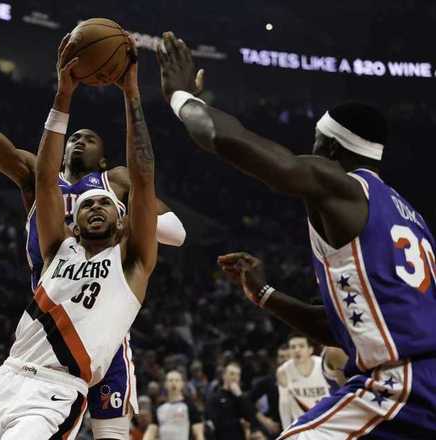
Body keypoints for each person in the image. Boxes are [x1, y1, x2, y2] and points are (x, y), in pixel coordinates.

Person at [155, 31, 436, 438]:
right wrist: (264, 294)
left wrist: (180, 97)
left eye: (316, 143)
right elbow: (346, 326)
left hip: (400, 383)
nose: (310, 152)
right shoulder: (409, 217)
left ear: (332, 150)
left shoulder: (341, 184)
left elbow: (227, 138)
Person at [0, 15, 186, 439]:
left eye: (89, 138)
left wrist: (130, 225)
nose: (79, 140)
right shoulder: (43, 189)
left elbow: (172, 224)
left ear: (103, 158)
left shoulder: (117, 182)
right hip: (44, 321)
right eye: (73, 136)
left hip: (101, 329)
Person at [276, 334, 329, 429]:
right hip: (301, 426)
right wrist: (286, 430)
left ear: (310, 350)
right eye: (293, 347)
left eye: (301, 346)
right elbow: (284, 404)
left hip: (326, 421)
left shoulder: (323, 365)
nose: (297, 350)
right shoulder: (283, 371)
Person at [142, 370, 204, 440]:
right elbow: (151, 431)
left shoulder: (189, 405)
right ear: (165, 384)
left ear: (182, 384)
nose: (173, 383)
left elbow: (199, 433)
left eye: (177, 380)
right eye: (170, 380)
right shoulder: (160, 407)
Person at [204, 361, 256, 440]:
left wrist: (239, 395)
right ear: (224, 376)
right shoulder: (214, 398)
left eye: (238, 375)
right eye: (232, 374)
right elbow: (215, 423)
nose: (235, 377)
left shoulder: (242, 397)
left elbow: (251, 417)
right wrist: (238, 422)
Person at [249, 345, 289, 437]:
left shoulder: (303, 380)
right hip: (278, 431)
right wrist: (264, 420)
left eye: (288, 356)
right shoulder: (269, 381)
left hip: (301, 428)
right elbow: (247, 401)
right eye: (281, 357)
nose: (284, 360)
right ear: (277, 359)